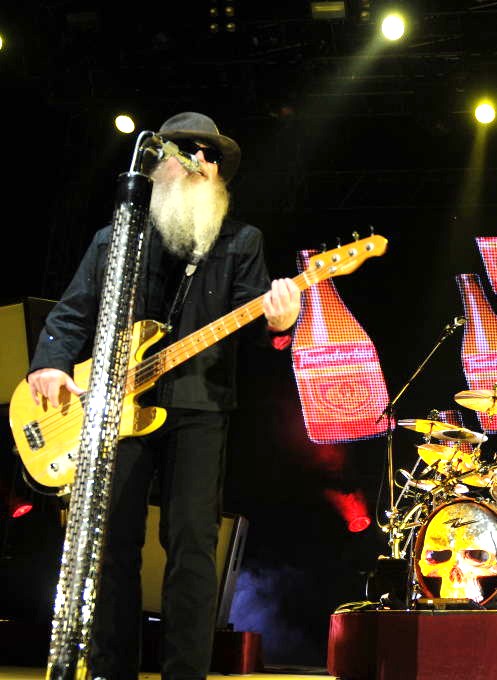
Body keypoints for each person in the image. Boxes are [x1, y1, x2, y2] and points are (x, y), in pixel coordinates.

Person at [26, 112, 302, 680]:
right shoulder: (116, 240)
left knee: (192, 547)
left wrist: (281, 323)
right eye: (191, 150)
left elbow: (260, 327)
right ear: (158, 163)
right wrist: (50, 364)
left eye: (213, 155)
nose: (204, 162)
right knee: (112, 543)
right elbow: (73, 313)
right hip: (114, 408)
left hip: (200, 406)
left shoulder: (241, 241)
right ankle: (112, 671)